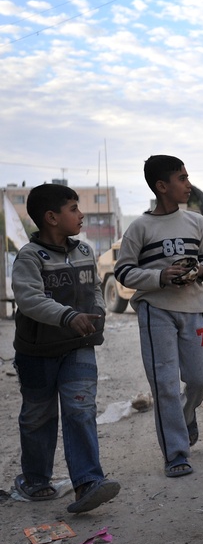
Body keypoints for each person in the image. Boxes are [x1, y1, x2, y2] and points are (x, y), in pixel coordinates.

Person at [10, 184, 121, 513]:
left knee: (80, 408)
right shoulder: (30, 257)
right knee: (38, 417)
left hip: (79, 346)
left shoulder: (85, 251)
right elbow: (30, 299)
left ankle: (88, 482)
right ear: (51, 218)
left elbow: (94, 290)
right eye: (73, 208)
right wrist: (68, 316)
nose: (81, 214)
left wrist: (98, 313)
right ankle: (36, 480)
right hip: (37, 352)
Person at [113, 155, 203, 478]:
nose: (188, 184)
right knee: (165, 384)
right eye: (182, 178)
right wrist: (159, 276)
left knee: (201, 379)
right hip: (155, 310)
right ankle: (176, 453)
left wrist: (199, 270)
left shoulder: (196, 223)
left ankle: (185, 417)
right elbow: (124, 272)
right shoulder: (140, 227)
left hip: (194, 308)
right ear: (162, 186)